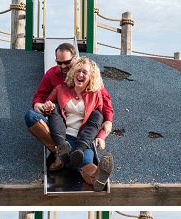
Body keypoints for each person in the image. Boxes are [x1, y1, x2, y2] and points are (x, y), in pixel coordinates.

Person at [24, 43, 114, 172]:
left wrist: (102, 133)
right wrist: (40, 105)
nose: (63, 66)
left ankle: (89, 172)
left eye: (67, 62)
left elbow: (105, 108)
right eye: (59, 63)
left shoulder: (92, 86)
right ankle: (59, 151)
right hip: (60, 127)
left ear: (75, 59)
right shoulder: (55, 80)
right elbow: (41, 97)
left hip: (81, 133)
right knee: (32, 115)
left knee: (85, 160)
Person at [43, 57, 115, 191]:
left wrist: (101, 136)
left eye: (85, 72)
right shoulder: (61, 89)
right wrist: (46, 105)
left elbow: (103, 116)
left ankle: (98, 178)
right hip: (65, 136)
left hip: (83, 139)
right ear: (73, 72)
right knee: (54, 108)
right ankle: (65, 151)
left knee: (97, 116)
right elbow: (47, 107)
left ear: (91, 76)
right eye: (78, 71)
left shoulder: (95, 94)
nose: (80, 74)